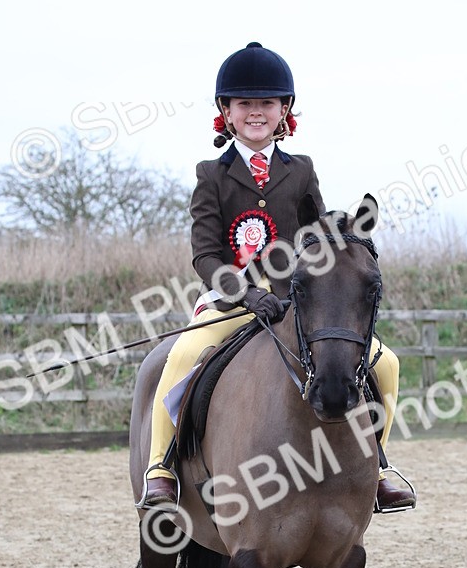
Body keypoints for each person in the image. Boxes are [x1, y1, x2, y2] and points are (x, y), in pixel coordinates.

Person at [139, 41, 416, 513]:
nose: (255, 112)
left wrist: (345, 234)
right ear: (225, 111)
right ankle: (161, 467)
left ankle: (378, 468)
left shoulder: (301, 170)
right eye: (244, 103)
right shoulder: (211, 175)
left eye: (266, 103)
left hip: (296, 299)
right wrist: (246, 293)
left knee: (385, 363)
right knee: (182, 355)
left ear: (284, 110)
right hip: (232, 300)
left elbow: (319, 233)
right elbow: (205, 255)